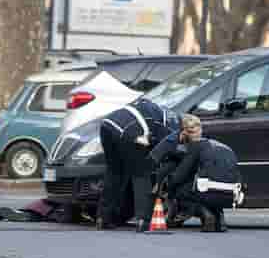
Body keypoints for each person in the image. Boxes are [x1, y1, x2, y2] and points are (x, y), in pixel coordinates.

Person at [97, 96, 180, 232]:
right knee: (141, 174)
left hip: (108, 125)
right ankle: (143, 220)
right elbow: (164, 147)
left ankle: (103, 218)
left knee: (114, 172)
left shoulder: (157, 111)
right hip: (131, 131)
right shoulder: (174, 127)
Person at [154, 115, 241, 232]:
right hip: (231, 194)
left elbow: (180, 175)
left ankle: (206, 215)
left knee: (181, 191)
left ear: (185, 132)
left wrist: (167, 187)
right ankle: (220, 222)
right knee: (214, 189)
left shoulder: (196, 146)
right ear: (201, 129)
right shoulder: (220, 145)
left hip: (210, 191)